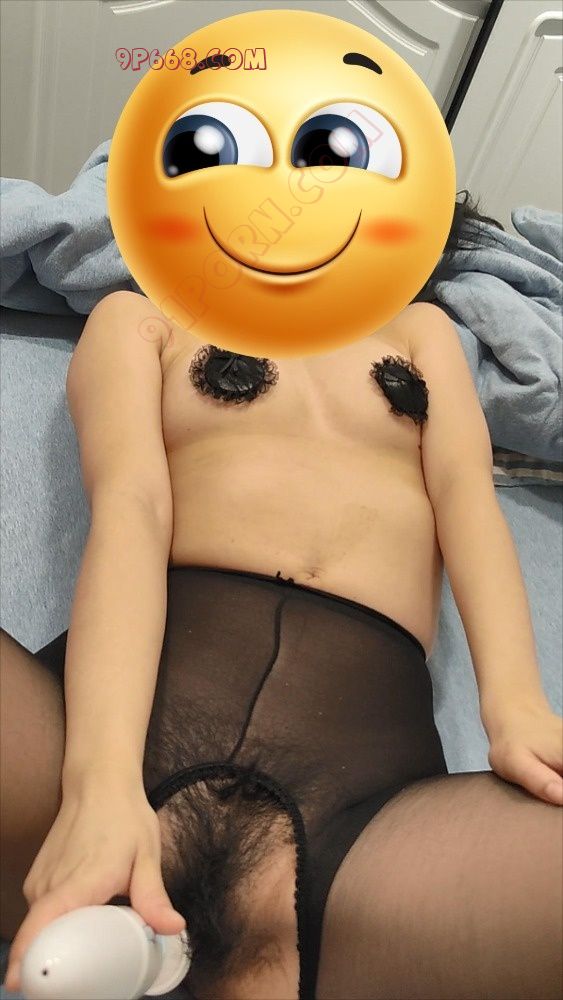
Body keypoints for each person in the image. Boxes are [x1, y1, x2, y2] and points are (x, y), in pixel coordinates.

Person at [1, 192, 561, 1000]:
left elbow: (467, 501)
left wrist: (515, 706)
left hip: (362, 810)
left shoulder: (421, 331)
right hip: (99, 735)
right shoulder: (140, 316)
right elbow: (130, 507)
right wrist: (99, 786)